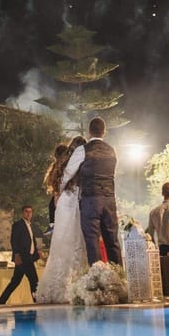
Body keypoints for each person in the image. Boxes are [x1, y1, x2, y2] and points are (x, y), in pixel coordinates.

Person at [60, 116, 122, 266]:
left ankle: (97, 278)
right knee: (112, 240)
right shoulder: (112, 151)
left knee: (92, 239)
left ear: (89, 132)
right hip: (109, 199)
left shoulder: (83, 150)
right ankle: (119, 276)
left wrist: (61, 190)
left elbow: (68, 173)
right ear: (104, 132)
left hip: (90, 199)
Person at [36, 136, 88, 303]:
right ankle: (70, 287)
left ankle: (60, 287)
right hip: (71, 205)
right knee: (73, 244)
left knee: (63, 246)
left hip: (64, 206)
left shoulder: (62, 165)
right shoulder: (74, 165)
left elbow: (57, 194)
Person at [0, 205, 40, 304]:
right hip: (23, 257)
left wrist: (36, 253)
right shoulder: (18, 224)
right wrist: (16, 254)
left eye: (30, 212)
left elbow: (32, 242)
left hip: (29, 257)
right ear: (22, 213)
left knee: (15, 282)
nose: (28, 214)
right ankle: (37, 301)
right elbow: (14, 240)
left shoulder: (30, 226)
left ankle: (1, 301)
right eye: (26, 212)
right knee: (34, 280)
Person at [43, 143, 69, 234]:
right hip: (65, 195)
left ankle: (52, 224)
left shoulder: (57, 166)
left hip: (61, 195)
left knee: (52, 205)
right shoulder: (66, 165)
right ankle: (53, 224)